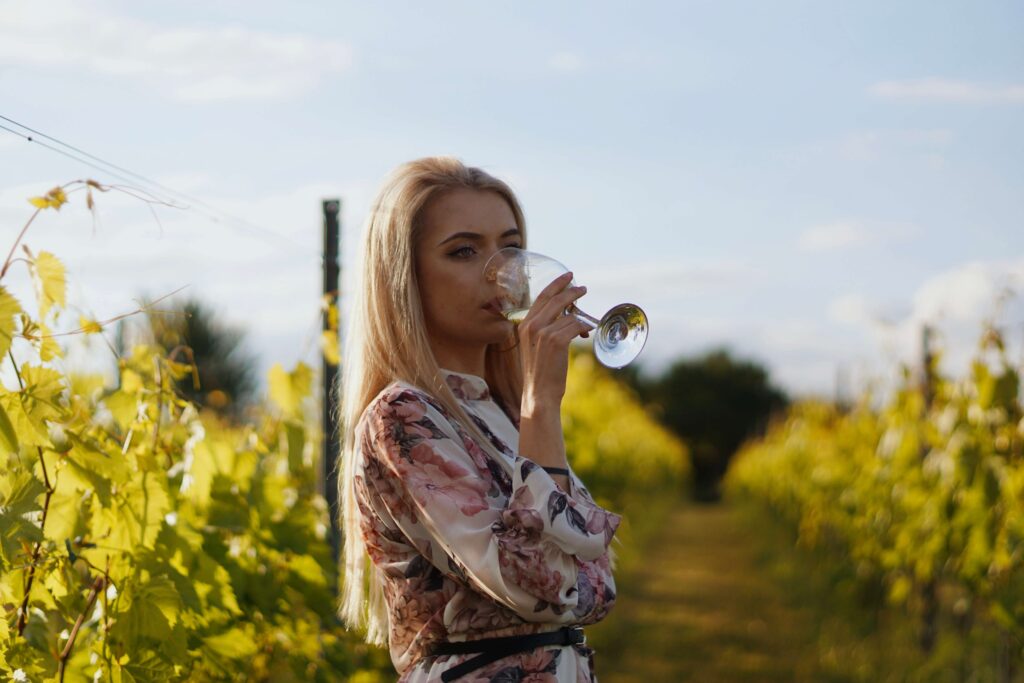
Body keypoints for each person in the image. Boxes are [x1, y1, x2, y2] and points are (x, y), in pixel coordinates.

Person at [337, 156, 623, 682]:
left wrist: (532, 410)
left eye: (509, 248)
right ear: (404, 277)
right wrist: (542, 404)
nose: (501, 273)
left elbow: (595, 583)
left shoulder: (501, 413)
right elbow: (542, 586)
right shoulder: (402, 417)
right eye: (464, 251)